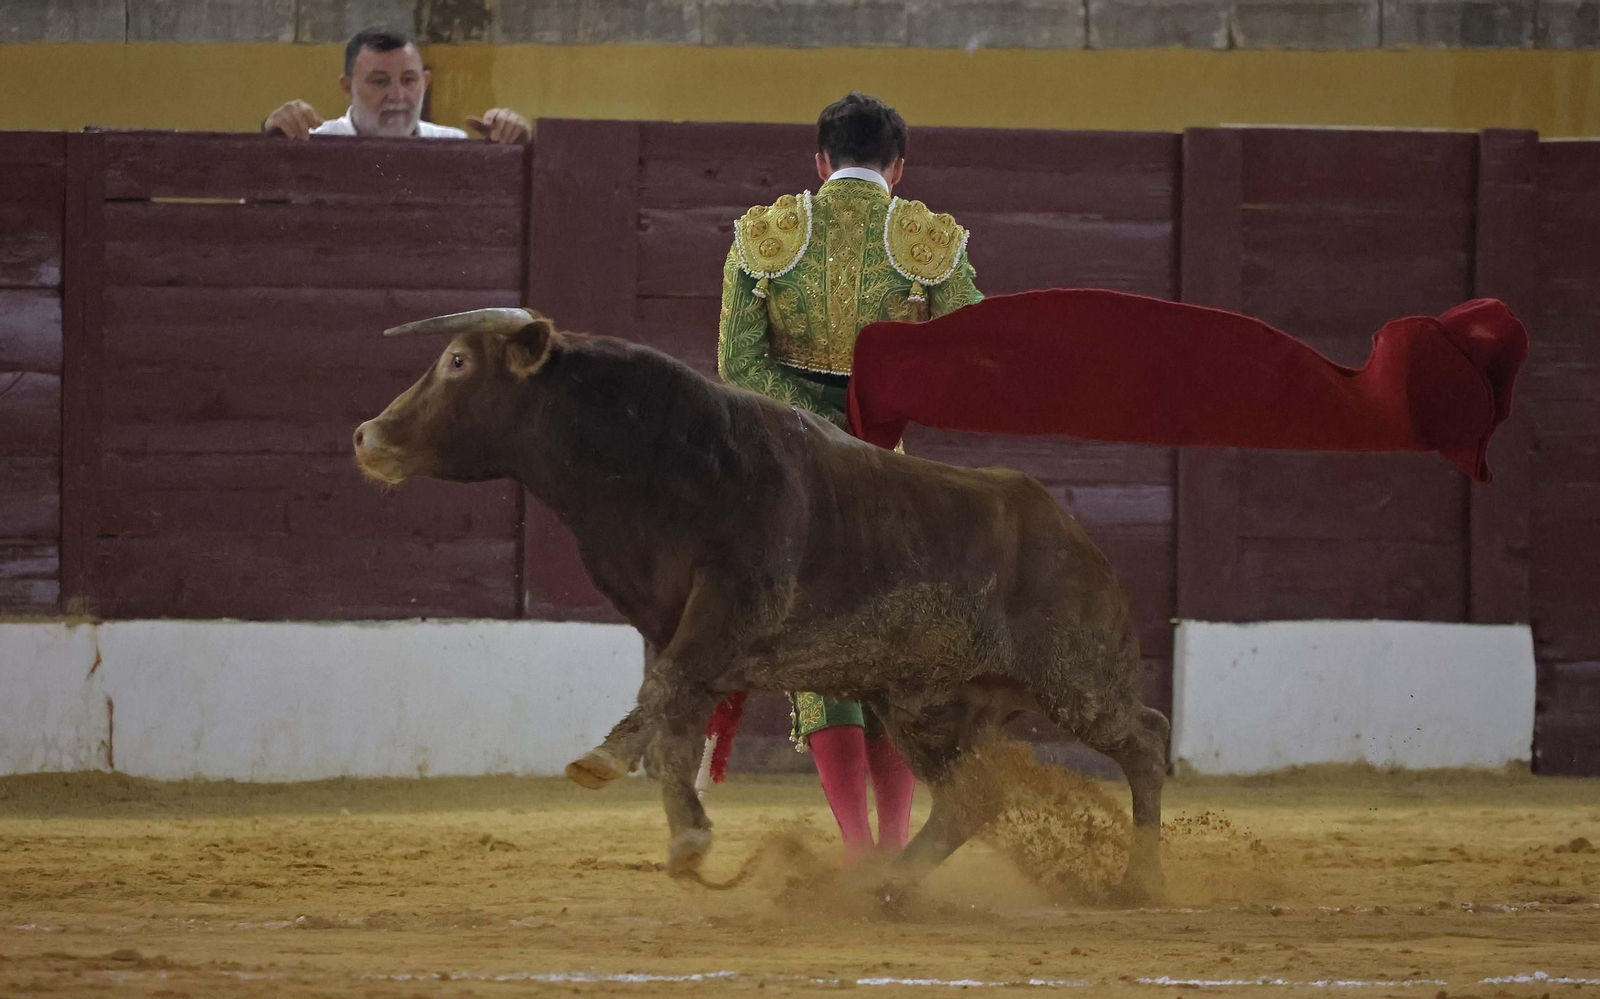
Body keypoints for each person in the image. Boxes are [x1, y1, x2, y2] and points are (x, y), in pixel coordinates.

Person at [715, 92, 983, 864]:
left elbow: (739, 366)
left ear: (820, 160)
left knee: (820, 653)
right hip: (891, 481)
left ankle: (860, 851)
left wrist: (816, 427)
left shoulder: (764, 237)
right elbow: (965, 355)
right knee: (892, 659)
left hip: (795, 482)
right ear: (897, 167)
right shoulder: (931, 240)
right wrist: (873, 418)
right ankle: (898, 845)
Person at [262, 27, 529, 143]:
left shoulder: (452, 145)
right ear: (347, 87)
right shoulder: (311, 144)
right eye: (380, 81)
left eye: (409, 80)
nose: (397, 95)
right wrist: (271, 143)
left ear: (425, 83)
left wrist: (518, 147)